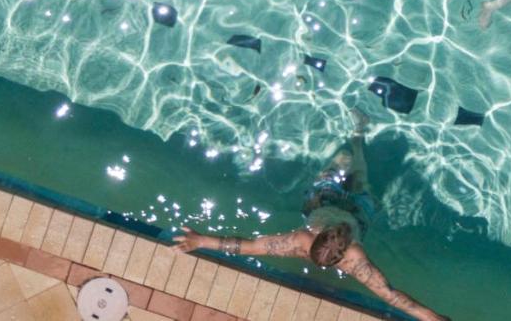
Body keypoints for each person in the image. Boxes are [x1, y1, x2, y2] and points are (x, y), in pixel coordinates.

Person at [172, 110, 450, 321]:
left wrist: (433, 319)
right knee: (344, 167)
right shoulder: (303, 240)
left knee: (360, 174)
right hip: (329, 202)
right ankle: (354, 141)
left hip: (356, 213)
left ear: (343, 251)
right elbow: (252, 246)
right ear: (317, 237)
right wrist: (201, 241)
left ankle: (358, 136)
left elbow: (391, 295)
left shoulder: (354, 260)